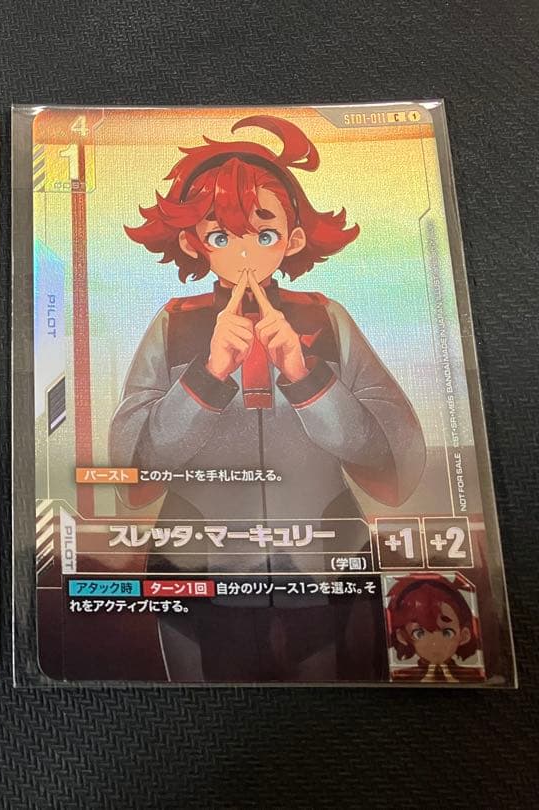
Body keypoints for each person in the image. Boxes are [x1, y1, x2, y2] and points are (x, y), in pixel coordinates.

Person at [111, 115, 426, 682]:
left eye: (263, 234)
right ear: (192, 242)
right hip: (199, 564)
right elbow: (129, 469)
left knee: (334, 698)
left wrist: (306, 378)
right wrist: (208, 375)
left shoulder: (326, 319)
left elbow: (396, 457)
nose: (244, 253)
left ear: (293, 238)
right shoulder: (174, 324)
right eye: (220, 237)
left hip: (324, 558)